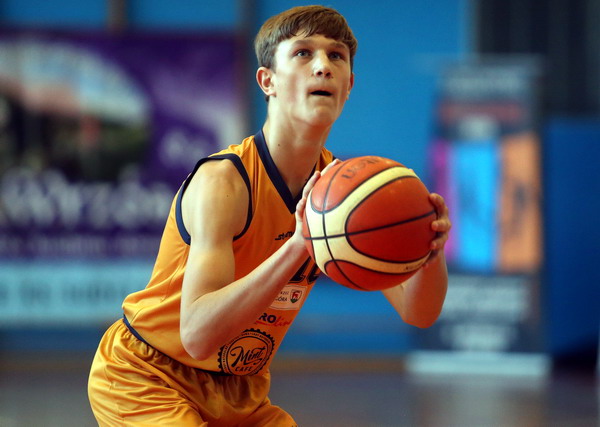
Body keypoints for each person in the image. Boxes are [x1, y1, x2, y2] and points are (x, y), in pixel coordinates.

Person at [88, 5, 451, 426]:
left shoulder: (342, 197)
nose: (323, 66)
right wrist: (298, 245)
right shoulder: (224, 181)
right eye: (303, 53)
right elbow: (198, 335)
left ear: (349, 84)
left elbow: (419, 313)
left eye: (336, 56)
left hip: (241, 390)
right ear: (267, 81)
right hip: (147, 375)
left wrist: (429, 252)